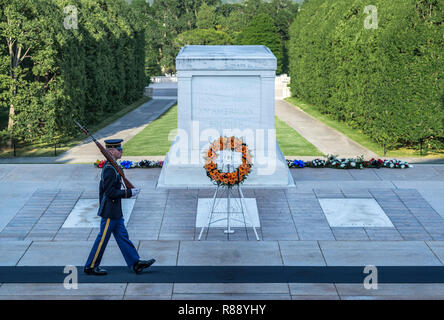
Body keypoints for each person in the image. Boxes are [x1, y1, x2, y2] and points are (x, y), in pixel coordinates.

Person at [84, 139, 155, 275]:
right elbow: (110, 192)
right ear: (111, 151)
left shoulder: (113, 166)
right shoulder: (109, 169)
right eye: (118, 148)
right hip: (110, 211)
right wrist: (128, 193)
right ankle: (90, 266)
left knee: (122, 237)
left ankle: (135, 263)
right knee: (102, 239)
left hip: (115, 211)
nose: (121, 150)